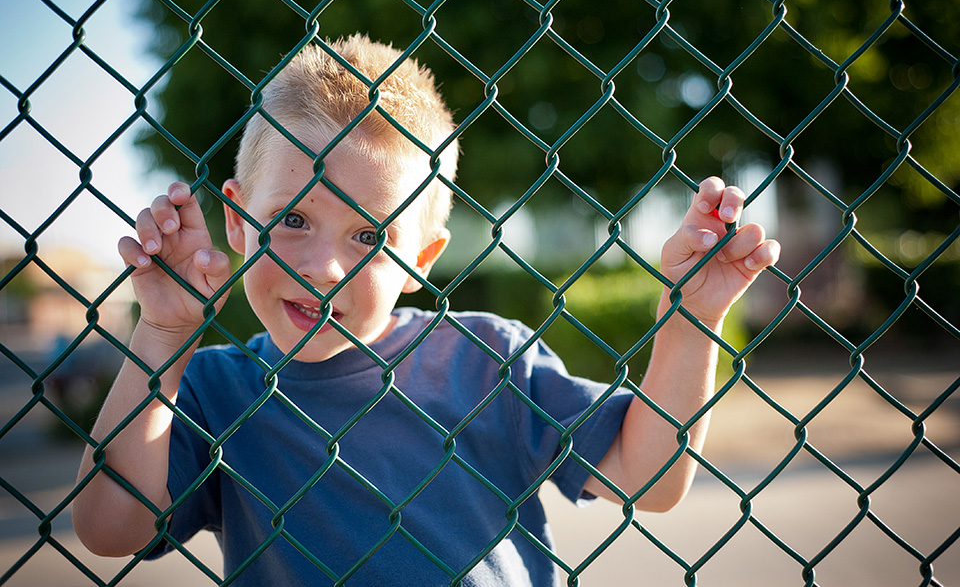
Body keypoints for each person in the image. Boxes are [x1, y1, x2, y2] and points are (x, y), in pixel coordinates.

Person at [73, 34, 780, 586]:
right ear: (236, 220)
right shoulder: (210, 391)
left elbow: (648, 477)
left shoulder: (487, 363)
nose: (323, 267)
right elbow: (107, 527)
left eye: (369, 235)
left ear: (423, 256)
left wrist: (692, 321)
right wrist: (163, 335)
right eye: (292, 220)